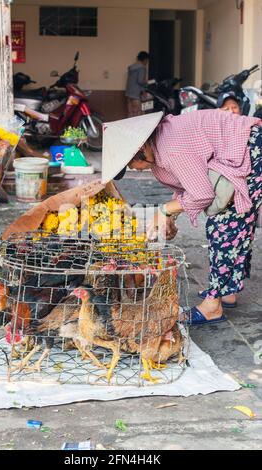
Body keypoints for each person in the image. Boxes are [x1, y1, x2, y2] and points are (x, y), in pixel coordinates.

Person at [102, 109, 262, 325]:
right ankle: (227, 291)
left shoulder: (170, 148)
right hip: (243, 146)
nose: (134, 168)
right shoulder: (159, 148)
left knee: (225, 224)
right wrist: (170, 216)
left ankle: (213, 306)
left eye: (132, 163)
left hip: (250, 148)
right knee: (234, 223)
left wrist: (164, 210)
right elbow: (187, 180)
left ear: (139, 148)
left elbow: (202, 194)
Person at [125, 51, 149, 118]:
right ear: (145, 59)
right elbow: (140, 81)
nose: (147, 62)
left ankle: (129, 128)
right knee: (138, 113)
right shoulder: (142, 68)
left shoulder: (131, 67)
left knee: (130, 113)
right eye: (147, 60)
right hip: (136, 93)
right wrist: (146, 83)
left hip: (129, 93)